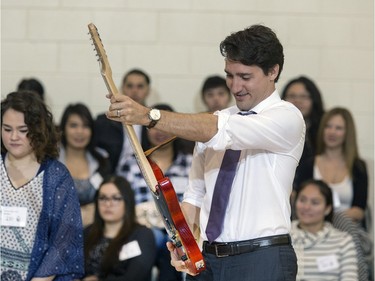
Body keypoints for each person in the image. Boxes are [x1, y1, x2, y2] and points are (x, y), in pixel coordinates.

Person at [105, 24, 305, 281]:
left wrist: (148, 116)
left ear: (273, 71)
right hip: (208, 259)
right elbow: (195, 195)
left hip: (262, 258)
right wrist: (184, 243)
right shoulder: (216, 120)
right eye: (229, 75)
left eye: (245, 76)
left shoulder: (287, 117)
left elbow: (223, 131)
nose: (235, 86)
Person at [0, 91, 84, 280]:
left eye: (23, 130)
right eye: (6, 129)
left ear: (38, 129)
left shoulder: (56, 175)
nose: (13, 137)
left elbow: (64, 239)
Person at [119, 103, 192, 281]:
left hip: (184, 232)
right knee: (151, 238)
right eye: (153, 126)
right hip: (143, 231)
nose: (159, 131)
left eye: (164, 125)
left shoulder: (190, 163)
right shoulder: (132, 163)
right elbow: (123, 202)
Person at [295, 107, 368, 226]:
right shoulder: (308, 165)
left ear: (347, 133)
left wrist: (331, 217)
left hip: (347, 230)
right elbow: (299, 201)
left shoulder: (358, 167)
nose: (332, 132)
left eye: (338, 128)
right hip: (312, 228)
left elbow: (359, 210)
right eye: (328, 126)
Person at [82, 175, 156, 281]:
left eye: (116, 198)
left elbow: (134, 278)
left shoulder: (143, 235)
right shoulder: (87, 232)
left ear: (127, 202)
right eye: (103, 198)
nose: (108, 204)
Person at [291, 179, 358, 280]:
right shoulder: (282, 236)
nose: (306, 207)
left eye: (315, 202)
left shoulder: (343, 241)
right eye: (302, 200)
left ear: (327, 208)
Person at [58, 103, 111, 226]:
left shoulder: (102, 159)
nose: (80, 132)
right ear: (63, 129)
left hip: (95, 228)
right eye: (73, 125)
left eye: (85, 126)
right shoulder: (50, 160)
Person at [94, 68, 151, 174]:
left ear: (148, 90)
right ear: (123, 89)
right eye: (130, 86)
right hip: (113, 179)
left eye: (140, 86)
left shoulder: (155, 122)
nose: (134, 91)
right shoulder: (104, 121)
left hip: (147, 178)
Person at [281, 76, 325, 184]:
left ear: (313, 99)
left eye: (304, 96)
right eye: (292, 96)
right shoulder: (276, 128)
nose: (297, 101)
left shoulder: (324, 131)